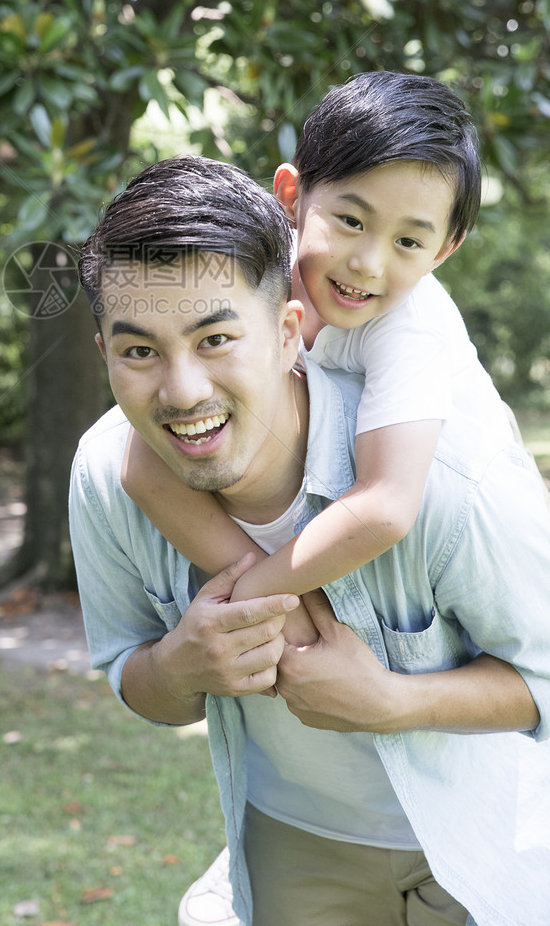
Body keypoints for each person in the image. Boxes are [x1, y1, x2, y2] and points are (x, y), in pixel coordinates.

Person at [68, 154, 550, 926]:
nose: (183, 390)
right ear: (106, 357)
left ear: (290, 331)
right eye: (139, 352)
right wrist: (181, 664)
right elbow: (135, 677)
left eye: (216, 339)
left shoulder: (452, 479)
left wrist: (392, 702)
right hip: (294, 844)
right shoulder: (107, 473)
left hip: (493, 842)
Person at [121, 73, 515, 652]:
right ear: (290, 196)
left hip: (481, 554)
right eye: (351, 221)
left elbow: (385, 506)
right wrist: (274, 603)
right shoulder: (250, 277)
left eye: (408, 242)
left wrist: (253, 595)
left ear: (444, 249)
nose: (368, 263)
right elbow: (141, 471)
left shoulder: (415, 325)